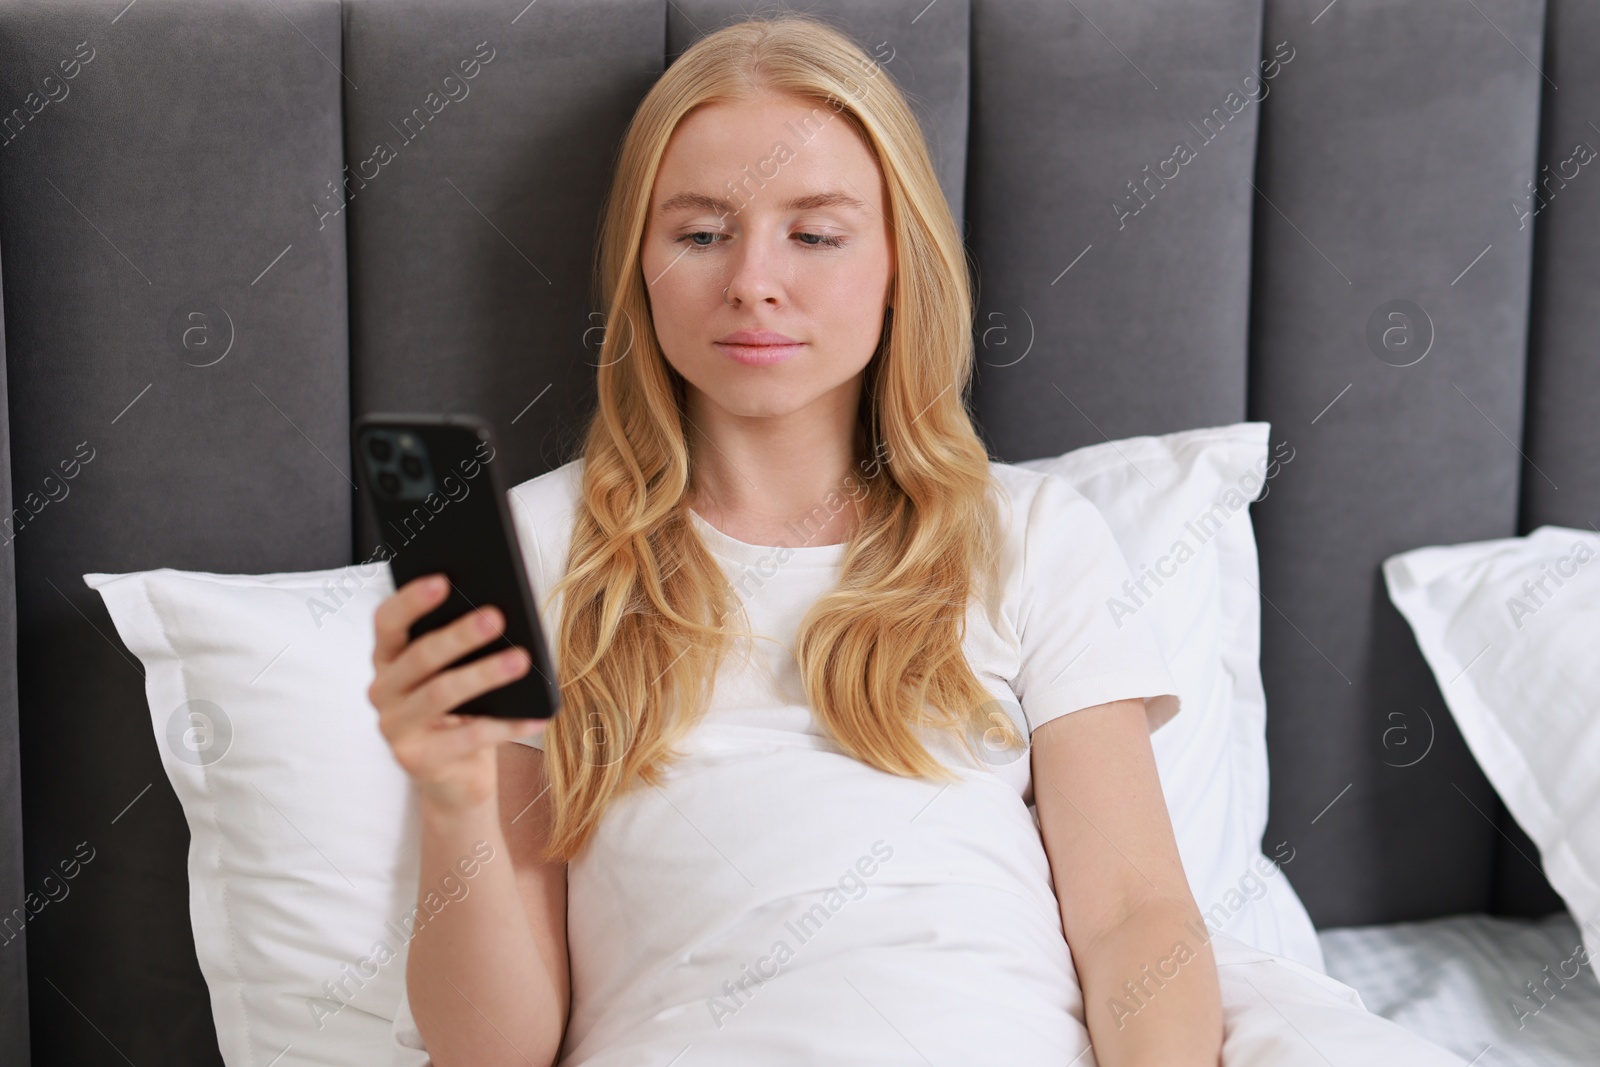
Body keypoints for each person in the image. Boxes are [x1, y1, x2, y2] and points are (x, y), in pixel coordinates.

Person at [371, 13, 1472, 1067]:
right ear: (640, 268)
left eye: (814, 233)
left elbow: (1136, 914)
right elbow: (494, 1047)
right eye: (701, 232)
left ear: (898, 264)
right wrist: (455, 792)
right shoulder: (540, 548)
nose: (753, 277)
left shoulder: (1027, 535)